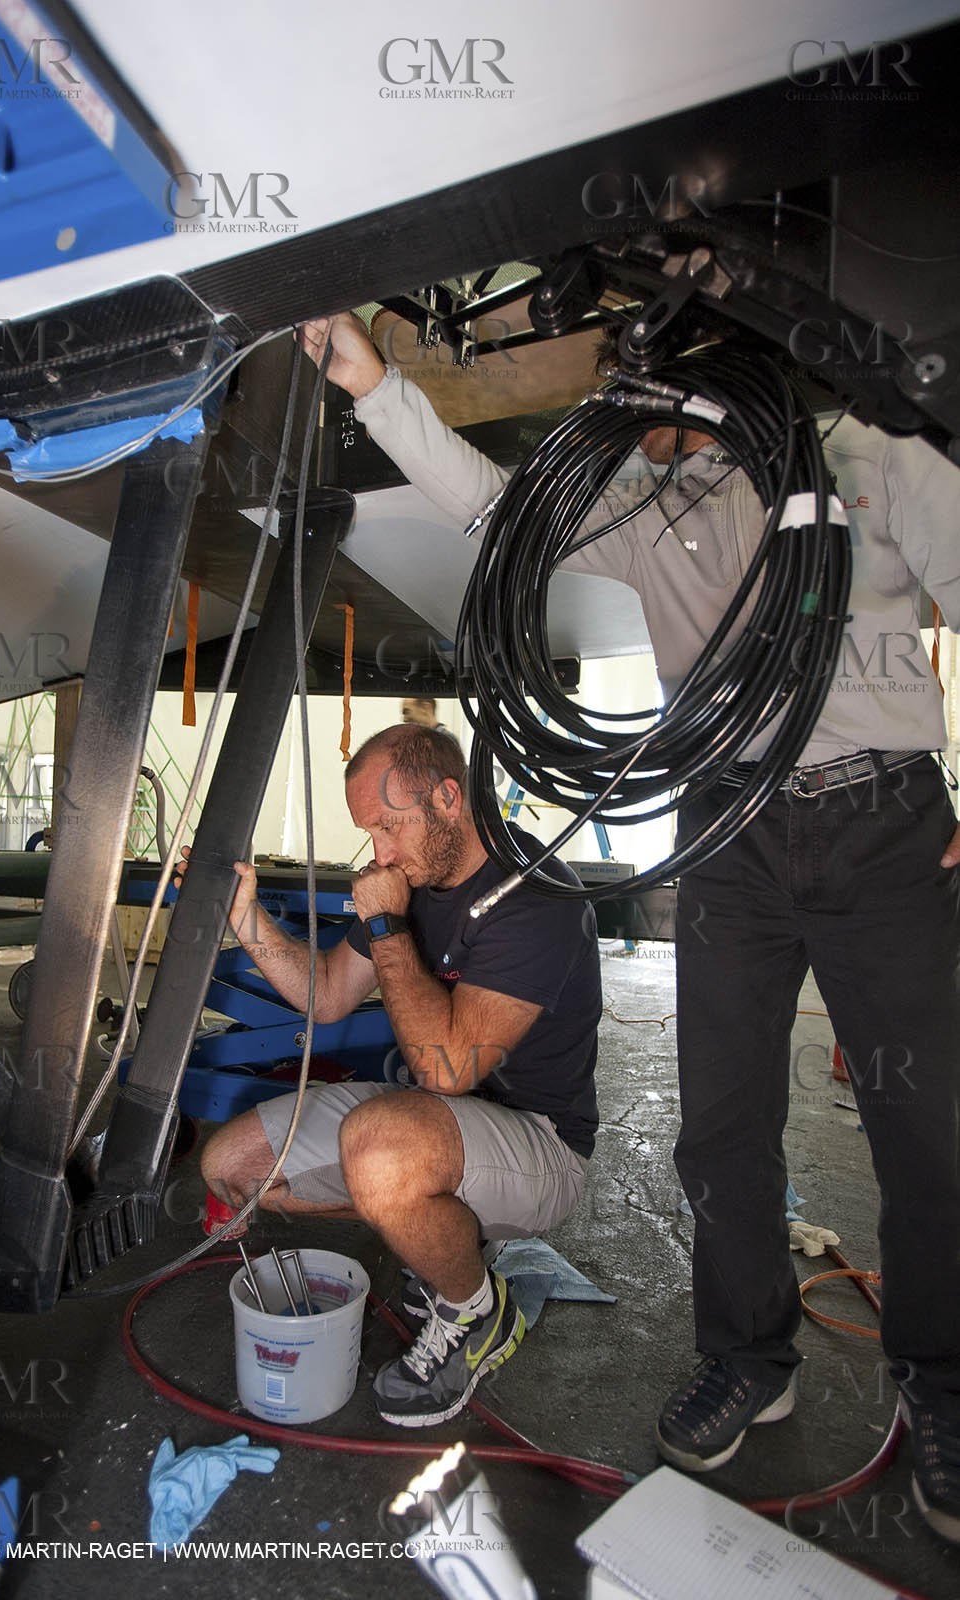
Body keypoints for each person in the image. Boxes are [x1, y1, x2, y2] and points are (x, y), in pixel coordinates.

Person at [298, 312, 960, 1542]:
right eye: (625, 383)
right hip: (729, 830)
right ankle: (746, 1357)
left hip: (876, 817)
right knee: (718, 1126)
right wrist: (376, 384)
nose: (637, 408)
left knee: (924, 1123)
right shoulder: (626, 495)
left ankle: (943, 1384)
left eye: (661, 378)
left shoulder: (867, 449)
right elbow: (496, 512)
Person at [189, 723, 602, 1428]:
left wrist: (385, 930)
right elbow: (325, 995)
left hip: (542, 1146)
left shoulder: (534, 898)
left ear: (447, 797)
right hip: (438, 1127)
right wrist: (243, 916)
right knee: (232, 1166)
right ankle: (444, 1237)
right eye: (367, 832)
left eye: (388, 826)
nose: (377, 853)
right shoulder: (412, 877)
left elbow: (446, 1071)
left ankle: (476, 1313)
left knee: (381, 1149)